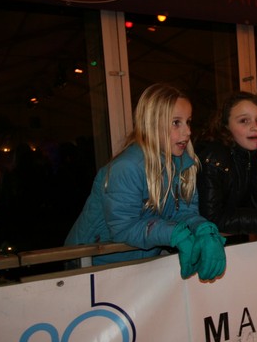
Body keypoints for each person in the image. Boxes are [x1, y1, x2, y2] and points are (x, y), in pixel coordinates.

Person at [65, 83, 226, 281]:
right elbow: (124, 227)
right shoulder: (127, 167)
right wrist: (173, 233)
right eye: (176, 122)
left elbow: (184, 211)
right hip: (94, 264)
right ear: (152, 123)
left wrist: (202, 228)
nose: (187, 132)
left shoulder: (183, 164)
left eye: (188, 122)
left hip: (136, 263)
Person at [195, 91, 257, 242]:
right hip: (207, 245)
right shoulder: (214, 157)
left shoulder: (252, 154)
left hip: (238, 243)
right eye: (244, 121)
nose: (255, 127)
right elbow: (213, 218)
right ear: (226, 126)